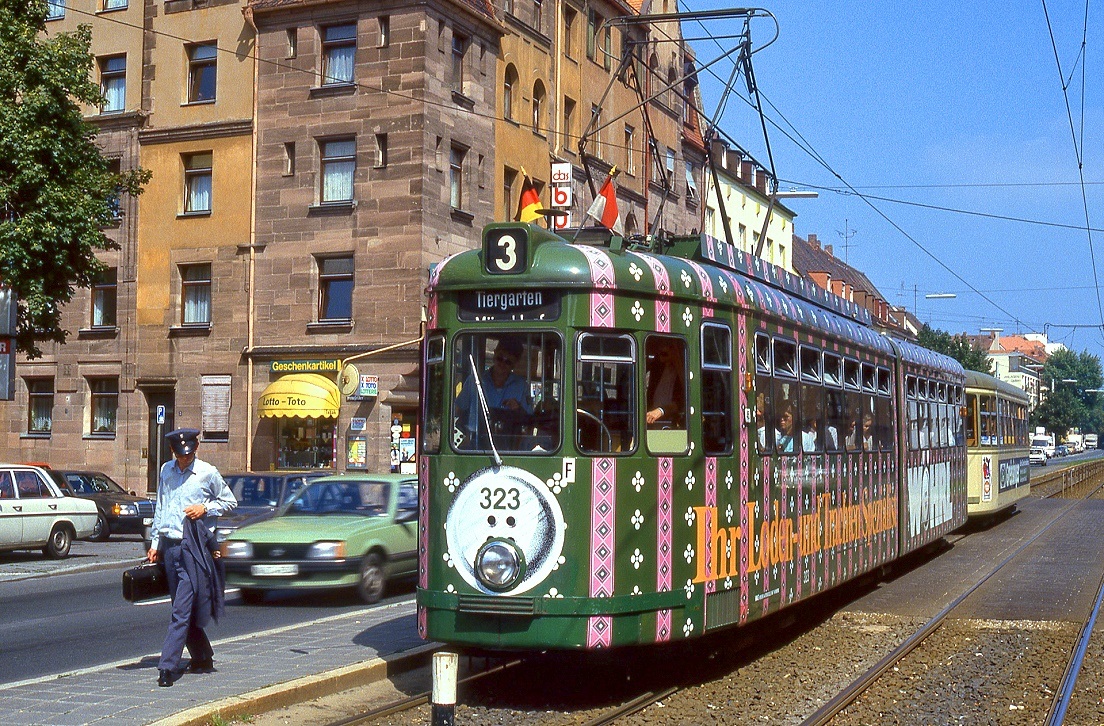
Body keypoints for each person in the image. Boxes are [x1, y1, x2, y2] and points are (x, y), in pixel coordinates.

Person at [147, 428, 236, 687]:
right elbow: (161, 506)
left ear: (195, 449)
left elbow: (230, 501)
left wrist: (204, 508)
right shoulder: (166, 471)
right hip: (170, 547)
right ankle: (202, 656)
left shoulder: (207, 472)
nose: (184, 459)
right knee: (181, 606)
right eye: (179, 455)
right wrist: (155, 542)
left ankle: (167, 666)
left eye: (188, 454)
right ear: (173, 452)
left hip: (195, 548)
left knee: (181, 610)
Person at [454, 338, 532, 444]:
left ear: (515, 364)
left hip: (509, 447)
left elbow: (529, 421)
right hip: (475, 445)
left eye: (508, 362)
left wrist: (518, 409)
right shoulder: (474, 381)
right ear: (494, 354)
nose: (502, 364)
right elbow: (458, 410)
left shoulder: (522, 386)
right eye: (500, 358)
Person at [646, 338, 685, 428]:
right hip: (652, 419)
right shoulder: (657, 369)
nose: (663, 352)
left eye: (669, 348)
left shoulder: (683, 373)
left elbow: (683, 401)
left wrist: (660, 411)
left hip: (672, 423)